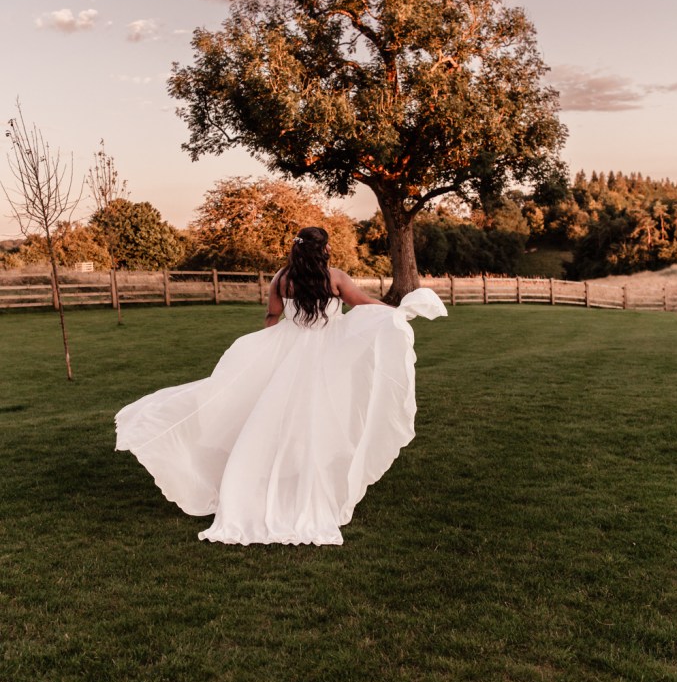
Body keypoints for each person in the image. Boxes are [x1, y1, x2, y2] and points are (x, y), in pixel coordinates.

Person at [115, 226, 447, 545]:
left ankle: (278, 477)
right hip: (326, 353)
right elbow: (363, 304)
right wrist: (395, 314)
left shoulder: (282, 278)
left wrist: (265, 347)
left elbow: (272, 316)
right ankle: (306, 484)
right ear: (324, 249)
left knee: (275, 416)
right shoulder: (336, 278)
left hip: (289, 353)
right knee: (322, 417)